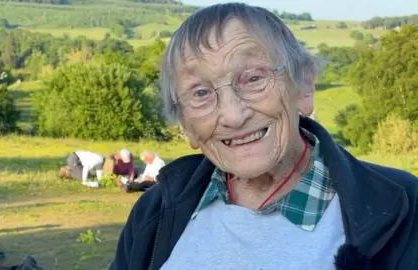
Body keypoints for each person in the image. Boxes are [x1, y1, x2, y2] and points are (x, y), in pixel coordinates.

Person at [110, 4, 418, 270]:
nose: (233, 115)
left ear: (304, 86)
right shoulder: (156, 212)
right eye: (200, 93)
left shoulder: (404, 206)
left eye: (254, 78)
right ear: (186, 125)